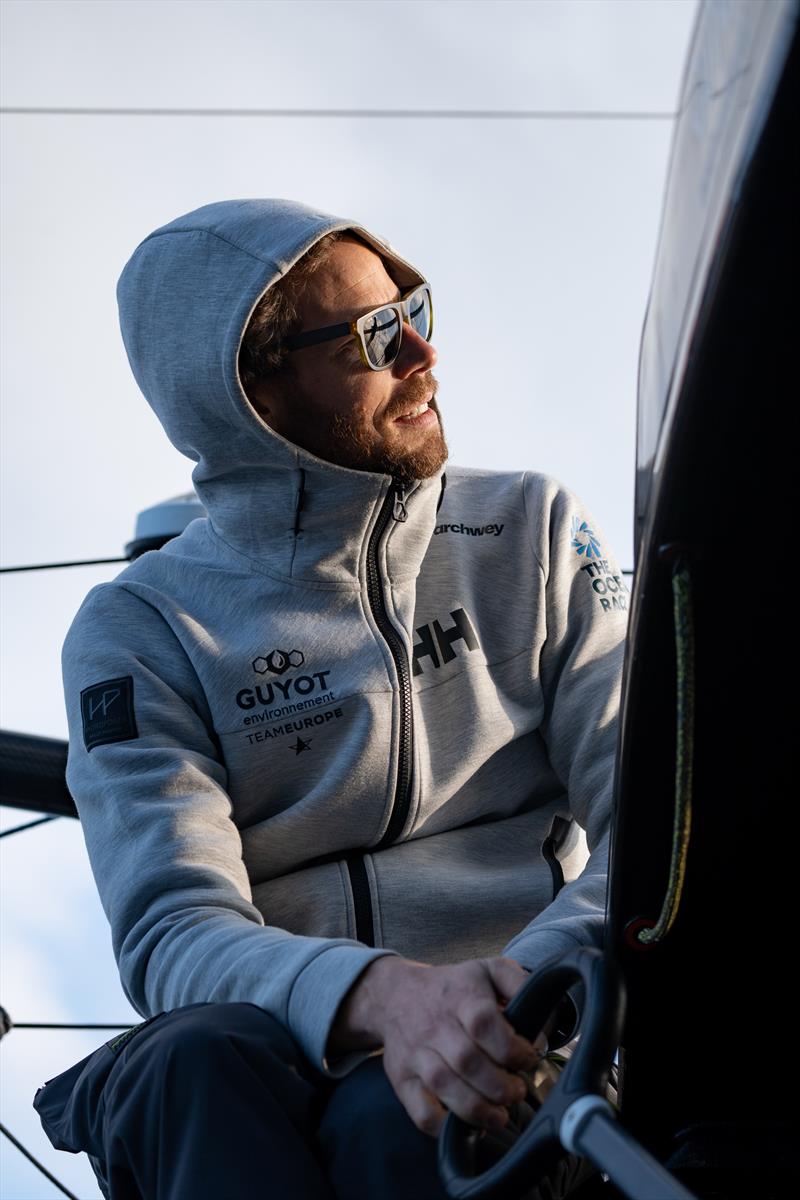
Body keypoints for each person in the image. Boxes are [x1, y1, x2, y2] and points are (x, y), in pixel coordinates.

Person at [34, 199, 628, 1199]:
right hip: (261, 1068)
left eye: (415, 307)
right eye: (375, 334)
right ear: (251, 388)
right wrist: (386, 1001)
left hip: (525, 1021)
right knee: (184, 1064)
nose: (425, 356)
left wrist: (507, 1001)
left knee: (400, 1125)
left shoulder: (528, 527)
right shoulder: (138, 626)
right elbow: (175, 929)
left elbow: (645, 819)